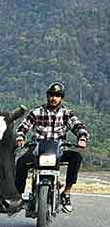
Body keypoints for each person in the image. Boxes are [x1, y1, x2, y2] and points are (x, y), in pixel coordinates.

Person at [15, 82, 89, 213]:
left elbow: (78, 126)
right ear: (47, 96)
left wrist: (82, 138)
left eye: (57, 95)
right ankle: (18, 196)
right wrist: (20, 137)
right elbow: (23, 127)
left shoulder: (67, 113)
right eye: (51, 95)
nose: (53, 98)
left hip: (58, 150)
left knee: (76, 157)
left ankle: (66, 193)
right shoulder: (37, 112)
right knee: (21, 161)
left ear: (61, 98)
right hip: (38, 149)